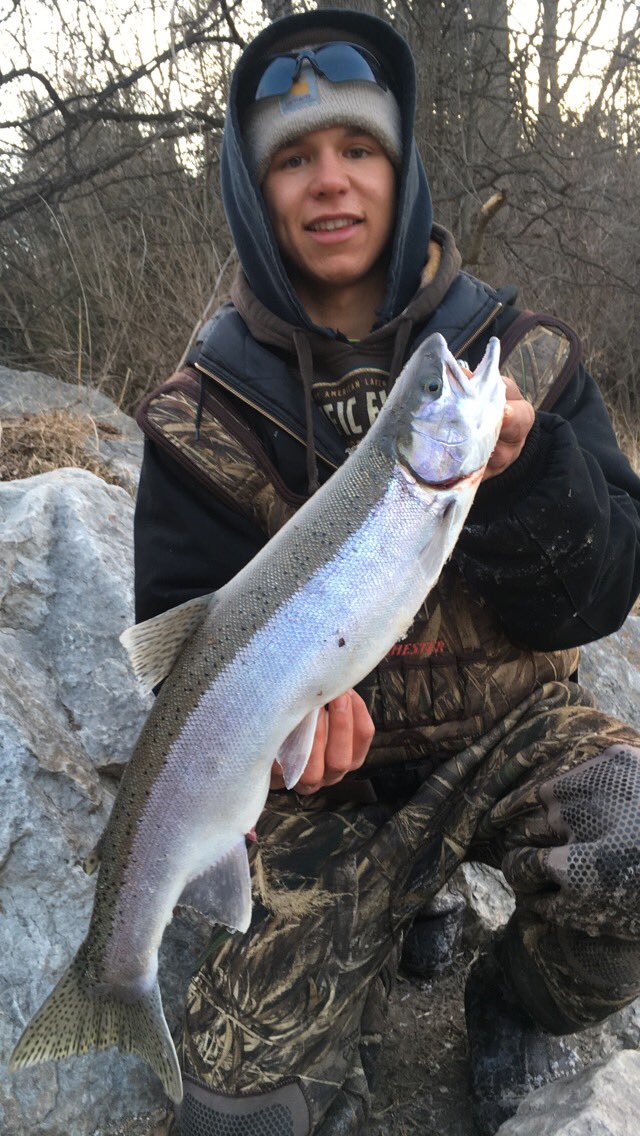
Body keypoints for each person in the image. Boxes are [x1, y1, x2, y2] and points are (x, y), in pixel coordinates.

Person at [133, 9, 640, 1135]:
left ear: (401, 165)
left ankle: (513, 999)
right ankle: (363, 951)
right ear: (251, 188)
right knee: (237, 1114)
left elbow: (602, 594)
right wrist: (287, 746)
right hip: (327, 796)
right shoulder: (196, 415)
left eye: (359, 149)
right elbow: (180, 657)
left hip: (509, 739)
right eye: (293, 158)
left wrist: (524, 470)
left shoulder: (524, 357)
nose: (331, 182)